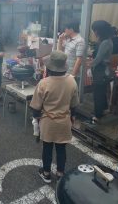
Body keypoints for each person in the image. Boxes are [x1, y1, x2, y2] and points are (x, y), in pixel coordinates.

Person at [30, 51, 79, 183]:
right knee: (61, 149)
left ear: (50, 66)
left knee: (47, 148)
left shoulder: (44, 83)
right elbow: (74, 105)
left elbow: (35, 107)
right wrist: (73, 117)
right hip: (64, 121)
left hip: (48, 121)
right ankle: (60, 173)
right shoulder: (71, 81)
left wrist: (36, 120)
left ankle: (46, 173)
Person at [57, 22, 85, 129]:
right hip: (63, 71)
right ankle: (62, 117)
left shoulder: (80, 41)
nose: (64, 31)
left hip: (70, 74)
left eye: (65, 29)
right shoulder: (68, 39)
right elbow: (59, 52)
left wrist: (73, 75)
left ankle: (70, 119)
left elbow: (79, 59)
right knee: (62, 96)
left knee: (71, 97)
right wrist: (60, 41)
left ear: (71, 29)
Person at [90, 20, 113, 124]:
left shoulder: (105, 42)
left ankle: (97, 115)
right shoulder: (106, 40)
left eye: (94, 30)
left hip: (101, 71)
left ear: (99, 31)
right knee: (102, 91)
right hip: (102, 70)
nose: (94, 32)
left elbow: (98, 59)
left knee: (98, 93)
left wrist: (88, 65)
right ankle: (103, 110)